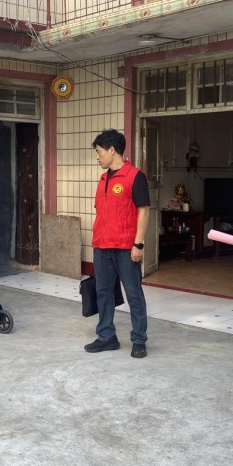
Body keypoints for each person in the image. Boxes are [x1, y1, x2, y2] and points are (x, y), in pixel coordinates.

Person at [85, 129, 151, 359]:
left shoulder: (135, 176)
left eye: (99, 152)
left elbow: (144, 211)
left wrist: (138, 244)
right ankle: (107, 337)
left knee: (133, 293)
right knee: (103, 291)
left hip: (125, 247)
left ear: (112, 150)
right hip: (102, 245)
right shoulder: (103, 179)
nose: (97, 157)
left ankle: (139, 339)